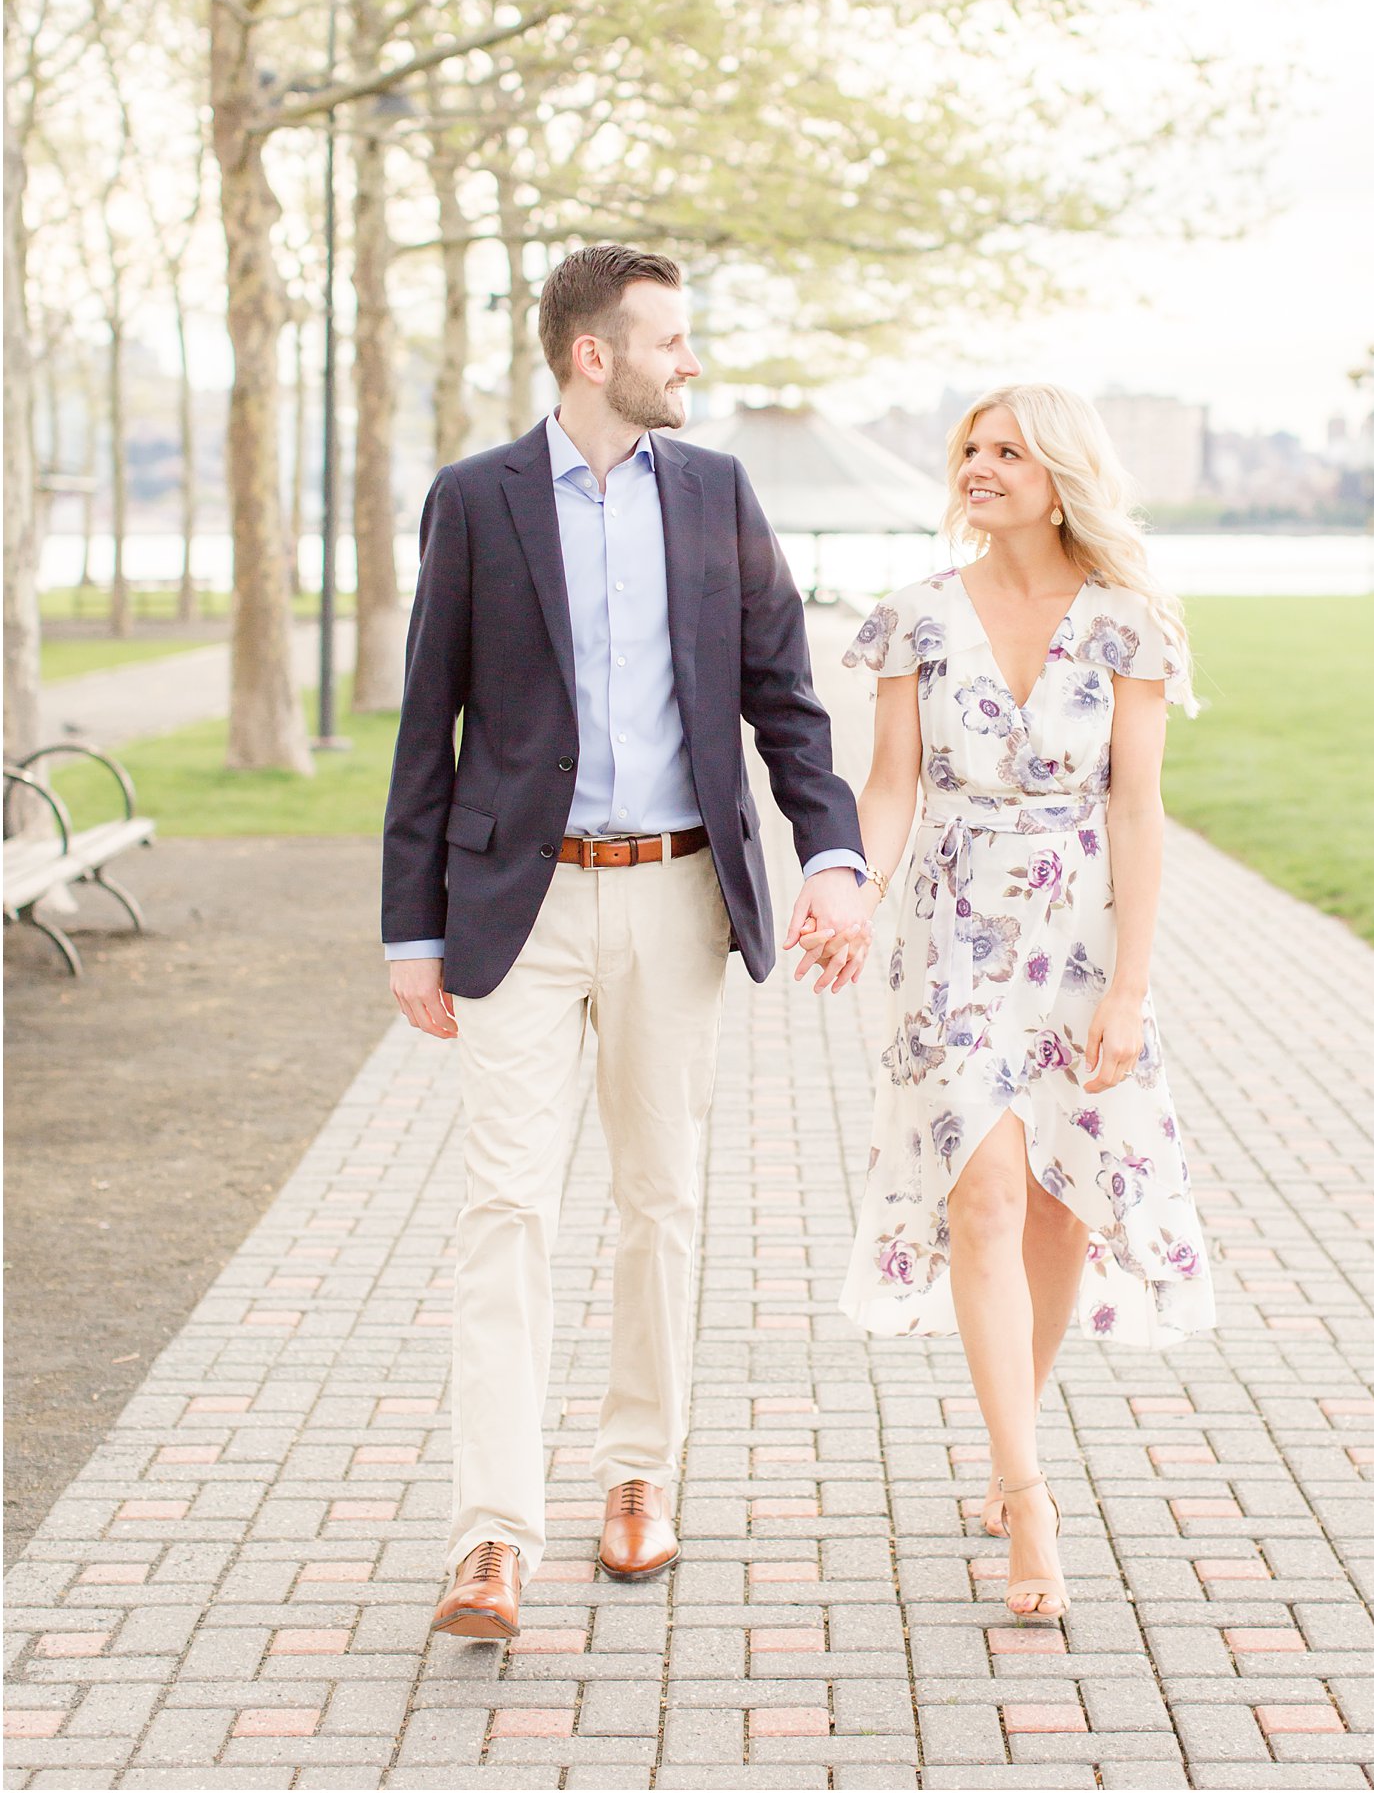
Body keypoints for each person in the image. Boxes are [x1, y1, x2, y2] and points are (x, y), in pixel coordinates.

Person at [382, 244, 871, 1641]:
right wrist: (410, 927)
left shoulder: (717, 494)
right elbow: (431, 729)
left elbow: (786, 699)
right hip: (514, 914)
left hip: (675, 894)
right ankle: (491, 1531)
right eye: (670, 339)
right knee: (508, 1207)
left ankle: (640, 1476)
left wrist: (830, 856)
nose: (691, 362)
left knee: (661, 1198)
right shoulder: (477, 501)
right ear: (593, 353)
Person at [831, 382, 1215, 1621]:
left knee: (1055, 1207)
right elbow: (887, 787)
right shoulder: (913, 621)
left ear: (1059, 473)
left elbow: (1135, 810)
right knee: (985, 1193)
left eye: (1006, 450)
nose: (979, 466)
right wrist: (850, 891)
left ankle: (1014, 1434)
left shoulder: (1126, 626)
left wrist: (1130, 991)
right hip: (943, 940)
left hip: (1080, 944)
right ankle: (1027, 1489)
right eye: (968, 449)